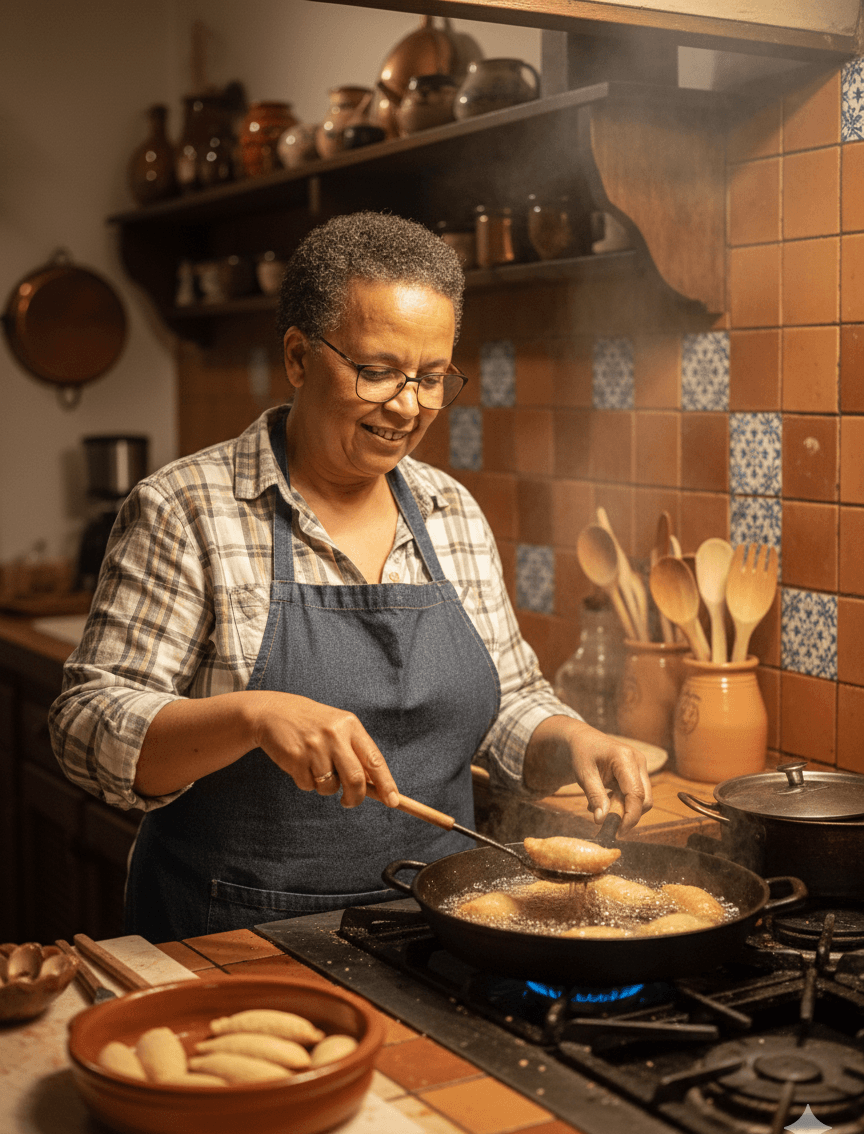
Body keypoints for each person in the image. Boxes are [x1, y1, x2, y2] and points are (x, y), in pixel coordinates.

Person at [49, 211, 651, 943]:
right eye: (377, 372)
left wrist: (570, 736)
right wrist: (252, 716)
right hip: (235, 932)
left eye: (432, 378)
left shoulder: (448, 510)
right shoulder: (187, 510)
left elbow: (507, 699)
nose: (409, 405)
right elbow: (84, 726)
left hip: (439, 925)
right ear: (299, 359)